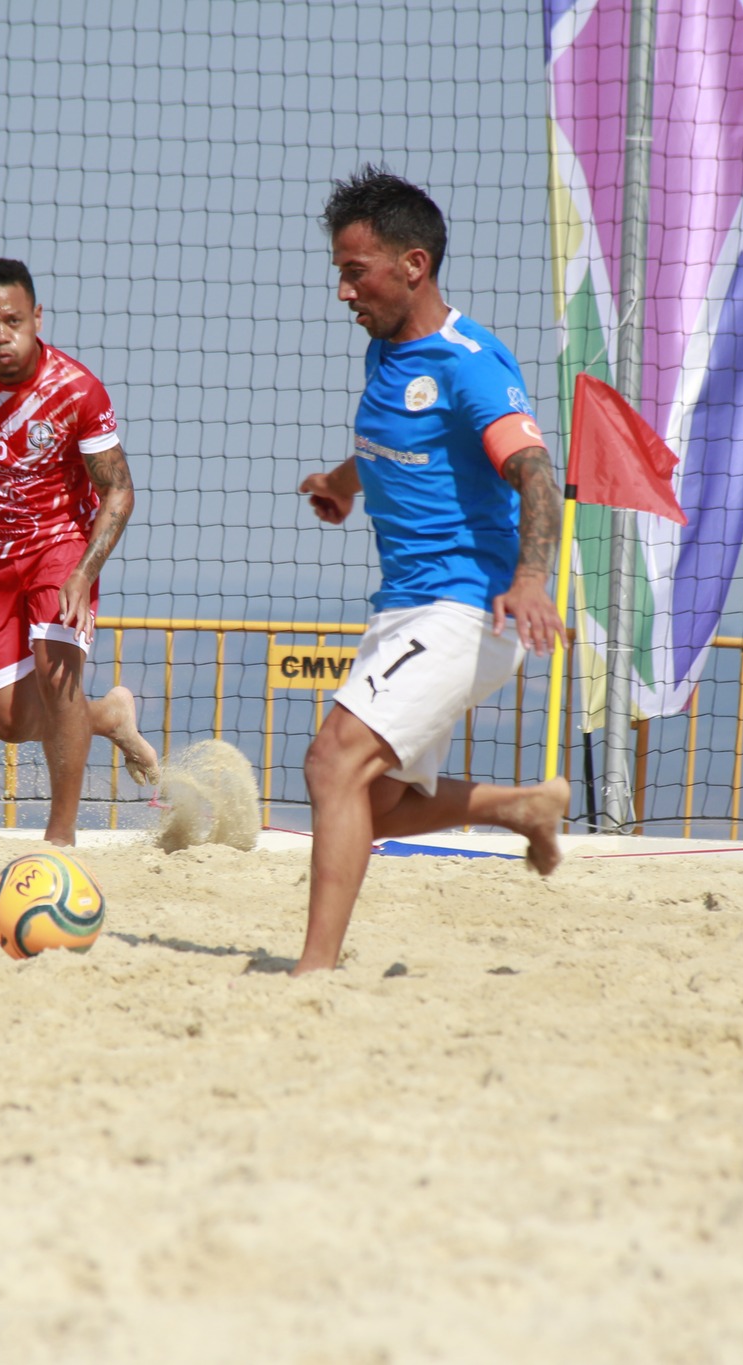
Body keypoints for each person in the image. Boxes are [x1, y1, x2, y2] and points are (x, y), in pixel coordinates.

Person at [293, 168, 570, 975]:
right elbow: (399, 442)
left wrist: (531, 581)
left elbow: (537, 474)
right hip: (405, 609)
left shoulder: (470, 363)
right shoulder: (386, 351)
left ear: (413, 265)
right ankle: (520, 806)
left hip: (471, 609)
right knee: (373, 802)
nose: (344, 292)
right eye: (341, 272)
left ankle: (312, 972)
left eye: (356, 271)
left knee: (331, 762)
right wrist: (342, 484)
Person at [0, 257, 159, 846]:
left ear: (37, 317)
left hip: (59, 549)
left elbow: (119, 489)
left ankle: (60, 839)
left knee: (55, 673)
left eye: (13, 320)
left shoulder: (76, 389)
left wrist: (84, 570)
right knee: (8, 721)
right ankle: (109, 717)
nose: (0, 337)